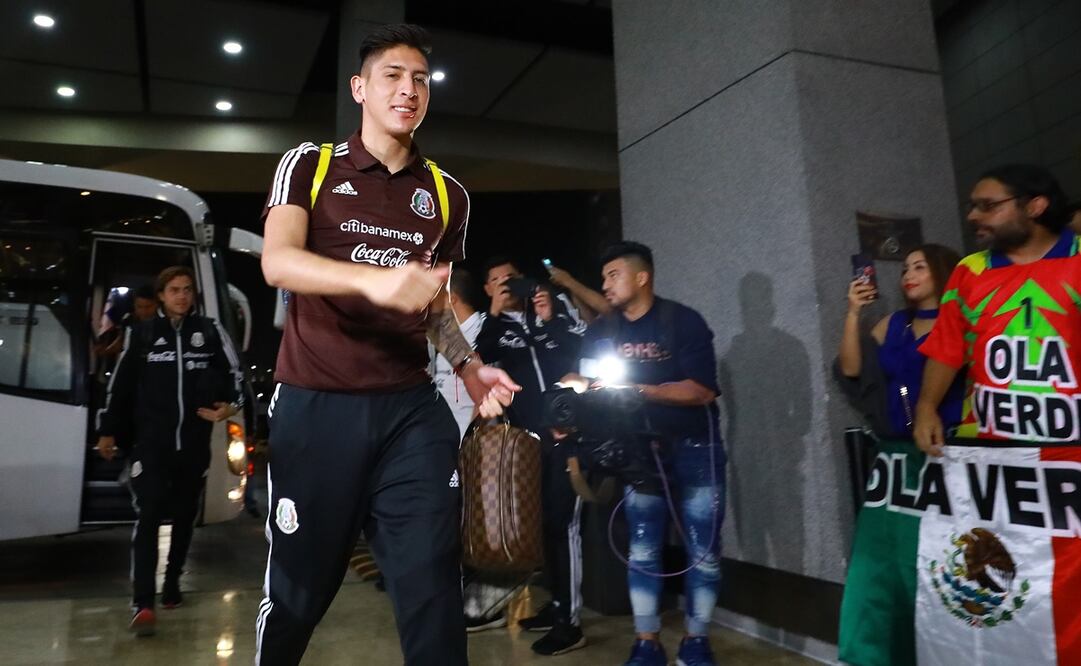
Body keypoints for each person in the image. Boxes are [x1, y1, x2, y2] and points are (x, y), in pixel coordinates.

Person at [255, 24, 518, 666]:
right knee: (299, 594)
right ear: (360, 88)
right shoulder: (311, 164)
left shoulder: (447, 194)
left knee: (432, 585)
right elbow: (278, 262)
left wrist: (471, 366)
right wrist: (373, 280)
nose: (408, 90)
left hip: (409, 411)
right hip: (317, 404)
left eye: (421, 80)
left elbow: (434, 304)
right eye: (393, 76)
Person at [566, 241, 725, 666]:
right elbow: (586, 380)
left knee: (704, 550)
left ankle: (696, 641)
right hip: (638, 452)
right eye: (603, 277)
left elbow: (702, 390)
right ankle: (646, 642)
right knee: (642, 548)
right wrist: (569, 394)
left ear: (642, 277)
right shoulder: (603, 330)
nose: (605, 284)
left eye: (613, 275)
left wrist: (638, 390)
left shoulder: (683, 321)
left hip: (696, 447)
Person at [95, 265, 244, 636]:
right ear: (161, 295)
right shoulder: (142, 334)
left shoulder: (210, 331)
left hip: (192, 446)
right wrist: (108, 431)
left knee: (183, 517)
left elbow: (236, 377)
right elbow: (121, 387)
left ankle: (173, 580)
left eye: (187, 289)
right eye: (175, 290)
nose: (182, 296)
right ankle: (143, 603)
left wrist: (230, 408)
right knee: (147, 518)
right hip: (151, 446)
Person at [914, 164, 1075, 454]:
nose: (973, 216)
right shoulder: (969, 270)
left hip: (1072, 452)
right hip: (989, 452)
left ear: (1035, 206)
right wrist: (926, 407)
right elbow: (947, 349)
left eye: (988, 206)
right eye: (972, 206)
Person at [475, 255, 587, 655]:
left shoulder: (551, 311)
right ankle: (556, 606)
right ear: (488, 290)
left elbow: (580, 346)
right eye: (496, 281)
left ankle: (569, 624)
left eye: (512, 278)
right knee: (543, 528)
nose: (506, 285)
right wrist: (493, 314)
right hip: (526, 444)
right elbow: (479, 360)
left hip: (567, 439)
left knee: (563, 526)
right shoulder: (492, 327)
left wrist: (549, 317)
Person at [835, 244, 964, 437]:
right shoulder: (895, 322)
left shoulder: (959, 322)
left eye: (919, 267)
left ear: (941, 271)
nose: (908, 276)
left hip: (948, 436)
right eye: (905, 270)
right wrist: (853, 312)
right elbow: (850, 369)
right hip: (898, 440)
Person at [429, 269, 484, 438]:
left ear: (451, 298)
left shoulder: (483, 330)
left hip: (469, 439)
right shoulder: (444, 337)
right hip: (442, 435)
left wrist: (468, 438)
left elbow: (485, 396)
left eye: (434, 297)